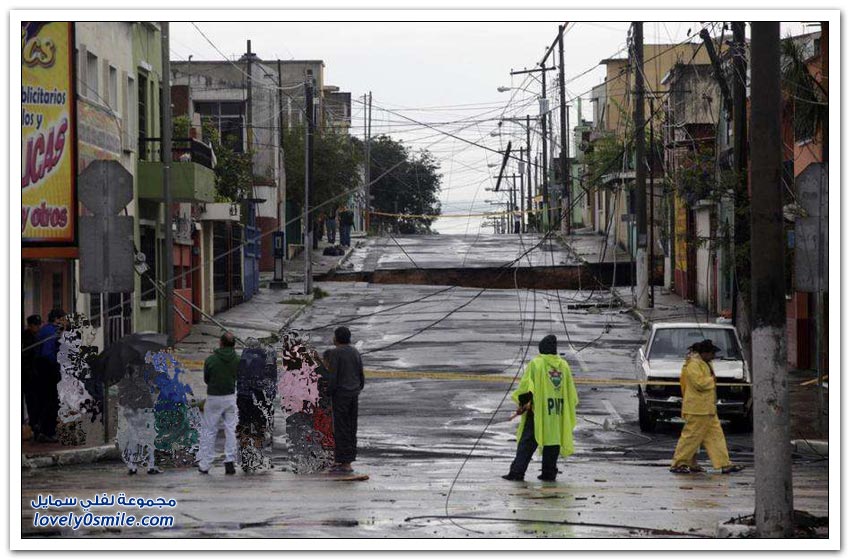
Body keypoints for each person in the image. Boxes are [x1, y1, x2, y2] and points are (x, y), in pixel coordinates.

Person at [503, 335, 578, 482]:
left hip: (538, 412)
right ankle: (549, 473)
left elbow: (526, 388)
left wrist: (523, 404)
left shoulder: (536, 364)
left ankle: (517, 472)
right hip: (556, 412)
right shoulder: (564, 366)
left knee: (527, 442)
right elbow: (571, 394)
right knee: (553, 442)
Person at [670, 339, 744, 474]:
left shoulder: (704, 363)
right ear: (704, 353)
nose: (713, 356)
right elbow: (699, 383)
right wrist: (712, 380)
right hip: (697, 409)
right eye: (712, 353)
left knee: (715, 437)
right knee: (691, 437)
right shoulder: (693, 364)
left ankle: (723, 463)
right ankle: (679, 463)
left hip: (707, 408)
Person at [322, 326, 365, 473]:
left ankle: (343, 462)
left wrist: (328, 392)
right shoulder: (355, 352)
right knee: (351, 427)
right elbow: (361, 374)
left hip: (341, 396)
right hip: (353, 394)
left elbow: (333, 377)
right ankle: (347, 460)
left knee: (341, 428)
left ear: (337, 338)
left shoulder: (336, 353)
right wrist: (357, 388)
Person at [198, 332, 240, 475]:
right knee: (230, 429)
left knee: (210, 430)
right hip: (230, 397)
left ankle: (205, 464)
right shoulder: (238, 360)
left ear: (220, 343)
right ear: (234, 345)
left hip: (214, 397)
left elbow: (206, 379)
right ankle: (229, 460)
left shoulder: (211, 360)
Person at [34, 309, 66, 443]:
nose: (64, 322)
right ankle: (48, 431)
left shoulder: (45, 330)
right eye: (62, 319)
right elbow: (47, 353)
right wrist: (57, 362)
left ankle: (41, 429)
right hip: (48, 370)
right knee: (52, 401)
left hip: (40, 370)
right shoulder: (51, 332)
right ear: (57, 319)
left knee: (44, 401)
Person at [22, 314, 42, 437]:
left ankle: (34, 424)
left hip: (34, 375)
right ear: (30, 325)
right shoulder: (26, 338)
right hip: (28, 376)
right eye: (36, 325)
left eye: (39, 325)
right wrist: (31, 373)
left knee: (35, 401)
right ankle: (33, 425)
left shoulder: (36, 336)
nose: (38, 327)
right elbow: (26, 359)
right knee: (31, 402)